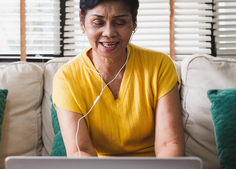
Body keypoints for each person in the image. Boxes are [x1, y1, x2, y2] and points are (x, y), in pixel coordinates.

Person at [52, 0, 185, 157]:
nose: (109, 32)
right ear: (82, 21)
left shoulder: (160, 66)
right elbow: (80, 151)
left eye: (120, 22)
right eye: (98, 22)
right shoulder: (66, 78)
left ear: (134, 20)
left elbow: (169, 145)